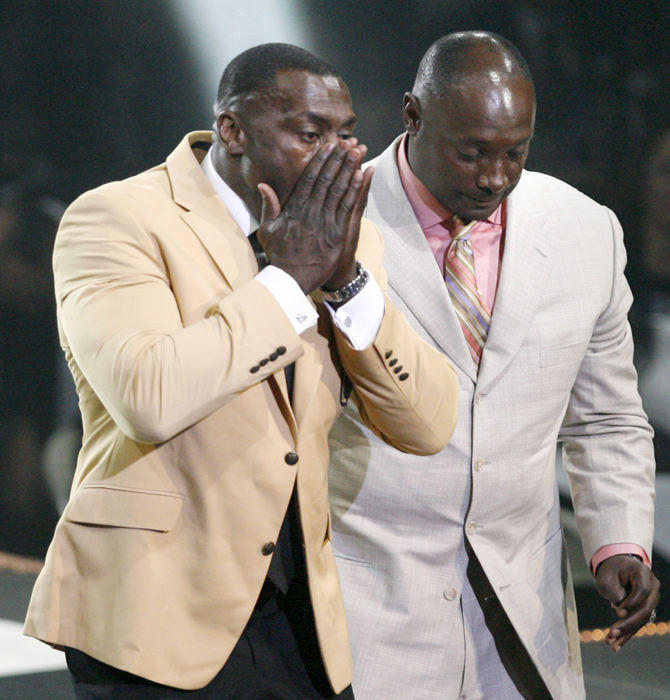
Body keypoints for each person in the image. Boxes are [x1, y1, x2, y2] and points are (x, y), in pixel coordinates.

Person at [23, 43, 459, 699]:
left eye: (346, 134)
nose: (337, 154)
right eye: (310, 133)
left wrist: (346, 284)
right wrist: (290, 282)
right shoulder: (118, 217)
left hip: (302, 626)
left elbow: (429, 424)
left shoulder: (343, 238)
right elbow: (147, 393)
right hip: (156, 619)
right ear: (232, 128)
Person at [328, 31, 659, 699]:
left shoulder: (585, 231)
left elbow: (607, 417)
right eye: (472, 151)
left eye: (515, 152)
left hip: (523, 604)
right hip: (367, 598)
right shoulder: (331, 217)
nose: (494, 176)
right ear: (412, 115)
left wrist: (618, 540)